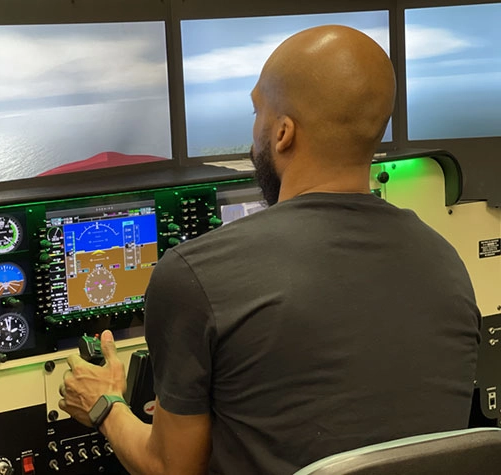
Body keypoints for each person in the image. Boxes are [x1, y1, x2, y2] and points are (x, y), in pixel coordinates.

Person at [59, 25, 481, 474]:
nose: (254, 131)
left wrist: (105, 405)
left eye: (258, 111)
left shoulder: (193, 274)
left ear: (283, 133)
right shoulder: (446, 263)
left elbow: (170, 469)